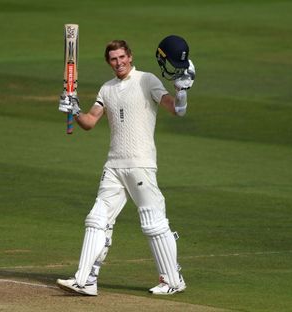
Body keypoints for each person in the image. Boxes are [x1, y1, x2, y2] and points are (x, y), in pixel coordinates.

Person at [56, 36, 195, 296]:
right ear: (109, 62)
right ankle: (85, 280)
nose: (118, 62)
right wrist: (73, 109)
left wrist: (182, 92)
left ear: (130, 56)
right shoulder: (106, 89)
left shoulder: (147, 80)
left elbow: (176, 110)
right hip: (114, 165)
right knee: (97, 219)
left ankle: (173, 281)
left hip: (140, 163)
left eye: (122, 57)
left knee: (153, 223)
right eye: (113, 59)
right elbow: (89, 122)